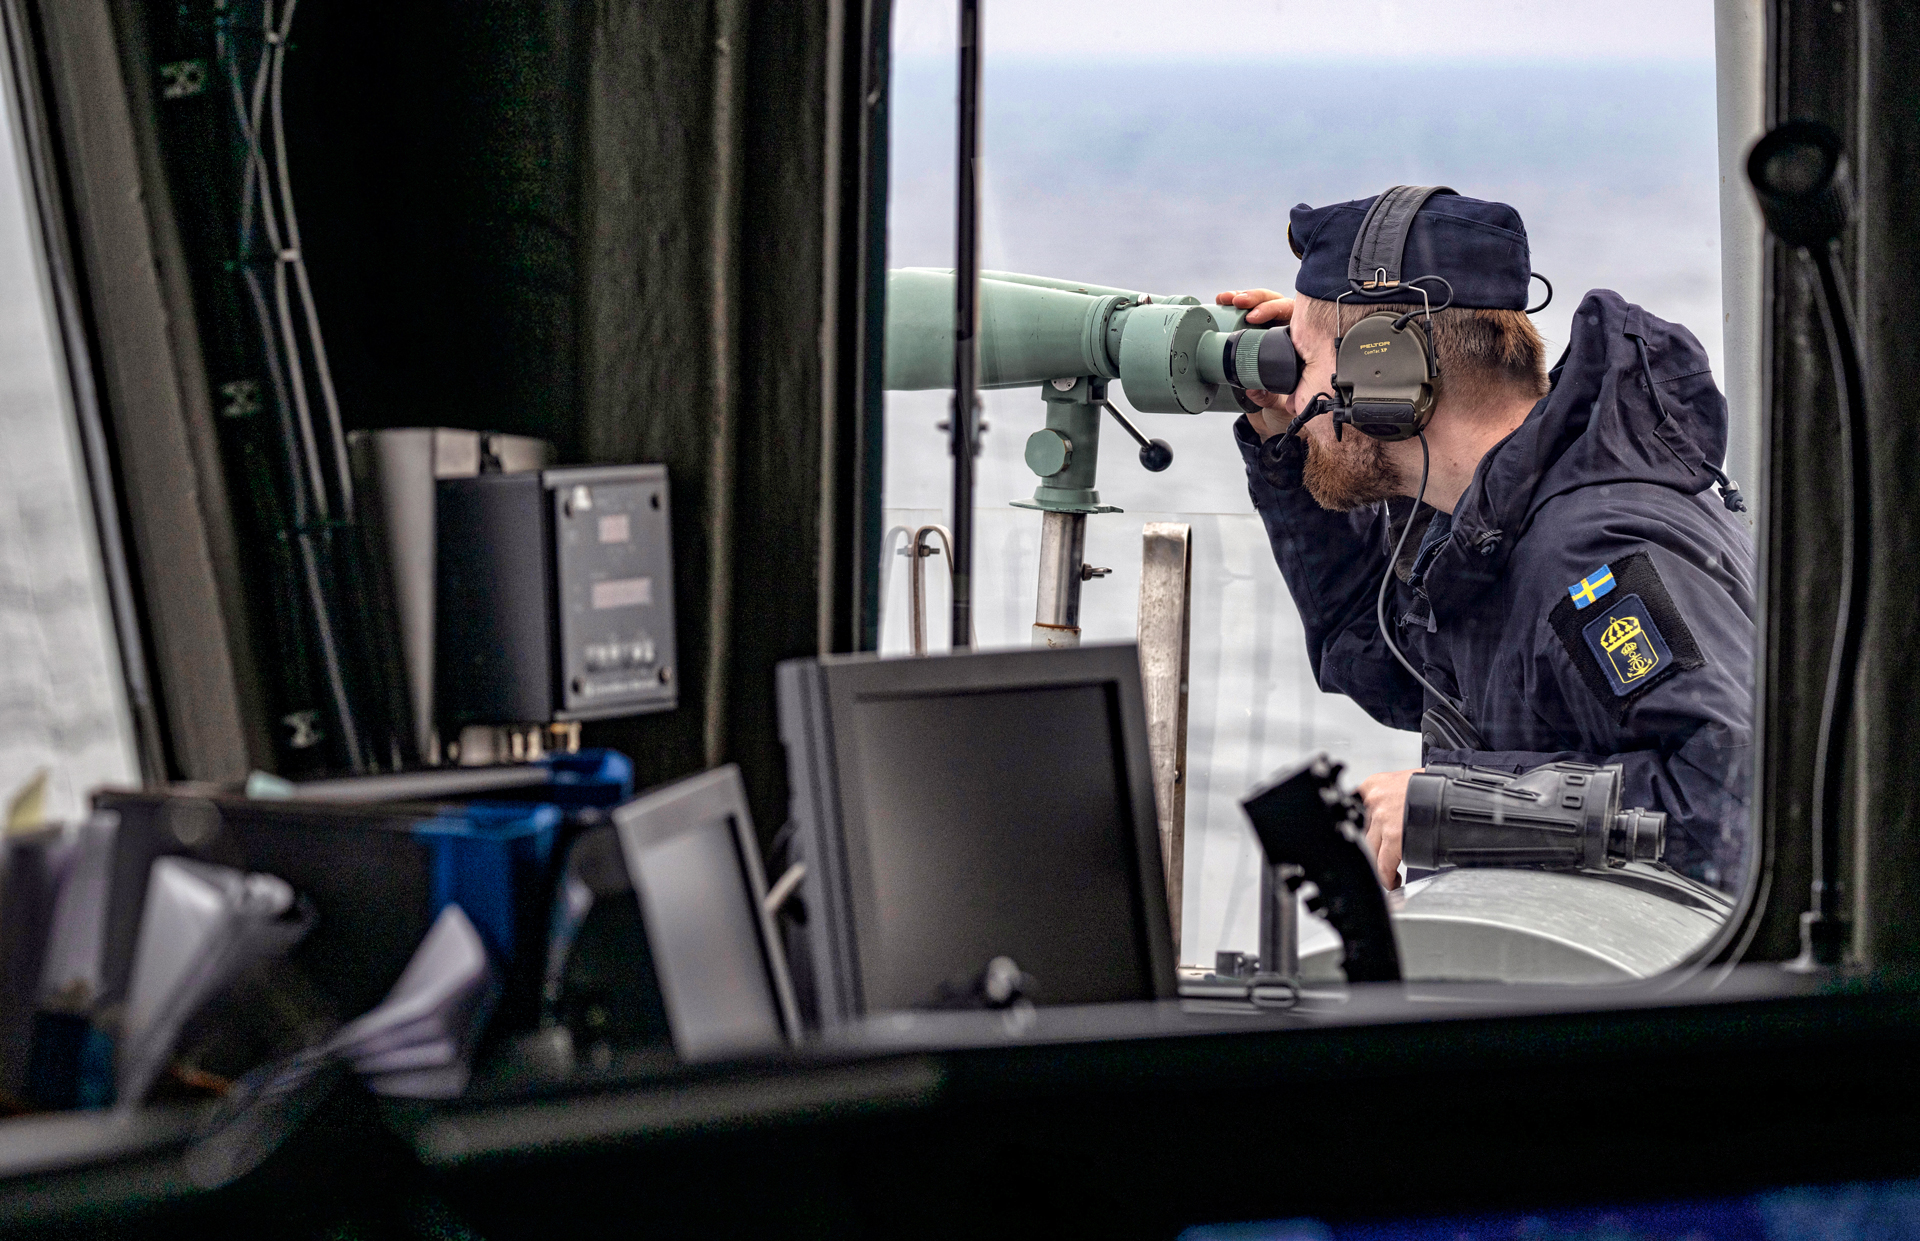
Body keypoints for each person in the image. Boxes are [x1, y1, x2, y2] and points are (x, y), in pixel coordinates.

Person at [1220, 188, 1753, 892]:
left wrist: (1458, 806)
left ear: (1383, 370)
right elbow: (1378, 658)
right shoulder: (1493, 530)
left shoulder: (1588, 557)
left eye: (1303, 363)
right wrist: (1281, 443)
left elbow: (1736, 803)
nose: (1292, 394)